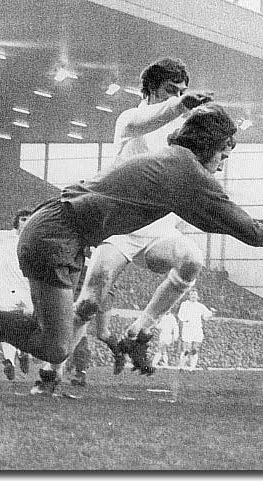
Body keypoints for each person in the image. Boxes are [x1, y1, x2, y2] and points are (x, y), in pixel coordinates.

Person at [0, 103, 263, 394]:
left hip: (55, 229)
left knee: (37, 329)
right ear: (210, 147)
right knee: (55, 346)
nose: (224, 161)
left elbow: (227, 225)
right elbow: (250, 234)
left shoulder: (172, 162)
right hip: (56, 237)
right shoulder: (189, 174)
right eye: (225, 152)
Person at [45, 57, 214, 385]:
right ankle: (50, 371)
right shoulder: (130, 119)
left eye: (181, 91)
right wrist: (179, 105)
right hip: (120, 227)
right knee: (90, 303)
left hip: (158, 228)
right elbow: (153, 117)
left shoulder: (179, 133)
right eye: (170, 90)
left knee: (192, 259)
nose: (176, 96)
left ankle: (138, 333)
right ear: (151, 89)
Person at [0, 209, 32, 380]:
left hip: (26, 288)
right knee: (5, 323)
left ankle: (24, 352)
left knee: (28, 322)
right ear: (17, 221)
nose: (26, 222)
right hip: (5, 288)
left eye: (29, 219)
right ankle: (9, 361)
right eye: (23, 219)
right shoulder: (3, 236)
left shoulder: (33, 239)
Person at [177, 288, 212, 371]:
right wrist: (186, 319)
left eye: (195, 294)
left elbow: (206, 317)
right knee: (186, 350)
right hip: (188, 329)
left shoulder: (200, 306)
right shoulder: (184, 304)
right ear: (189, 296)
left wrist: (211, 313)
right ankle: (181, 367)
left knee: (194, 350)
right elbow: (180, 315)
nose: (193, 296)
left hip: (197, 330)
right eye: (191, 294)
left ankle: (192, 368)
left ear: (197, 296)